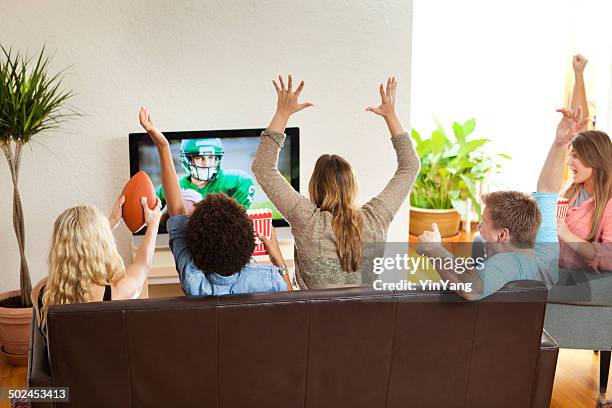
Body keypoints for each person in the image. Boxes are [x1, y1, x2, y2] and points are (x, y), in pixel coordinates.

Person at [251, 75, 420, 289]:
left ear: (315, 187)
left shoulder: (307, 219)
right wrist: (391, 116)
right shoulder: (375, 219)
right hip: (367, 320)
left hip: (313, 321)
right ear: (353, 186)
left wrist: (282, 112)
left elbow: (263, 168)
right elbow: (410, 166)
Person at [414, 108, 595, 300]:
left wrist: (434, 249)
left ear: (503, 234)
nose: (479, 227)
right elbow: (547, 190)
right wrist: (561, 144)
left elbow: (471, 289)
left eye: (484, 222)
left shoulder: (507, 263)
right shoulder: (545, 253)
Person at [139, 107, 289, 295]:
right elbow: (291, 302)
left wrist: (163, 147)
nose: (205, 161)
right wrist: (279, 261)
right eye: (200, 157)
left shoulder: (192, 281)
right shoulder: (269, 280)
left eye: (210, 157)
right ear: (250, 243)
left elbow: (177, 212)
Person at [41, 195, 161, 326]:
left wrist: (111, 221)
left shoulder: (40, 294)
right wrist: (153, 226)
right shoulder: (114, 296)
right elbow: (142, 265)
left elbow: (70, 262)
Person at [543, 55, 612, 272]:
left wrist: (566, 234)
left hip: (573, 281)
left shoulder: (608, 204)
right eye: (571, 154)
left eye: (576, 157)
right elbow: (577, 128)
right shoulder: (572, 188)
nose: (569, 161)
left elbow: (610, 257)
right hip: (552, 268)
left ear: (595, 160)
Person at [155, 137, 256, 212]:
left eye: (210, 158)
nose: (206, 163)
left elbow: (234, 223)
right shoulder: (171, 188)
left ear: (217, 159)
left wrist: (204, 205)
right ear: (188, 160)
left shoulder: (238, 181)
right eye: (199, 158)